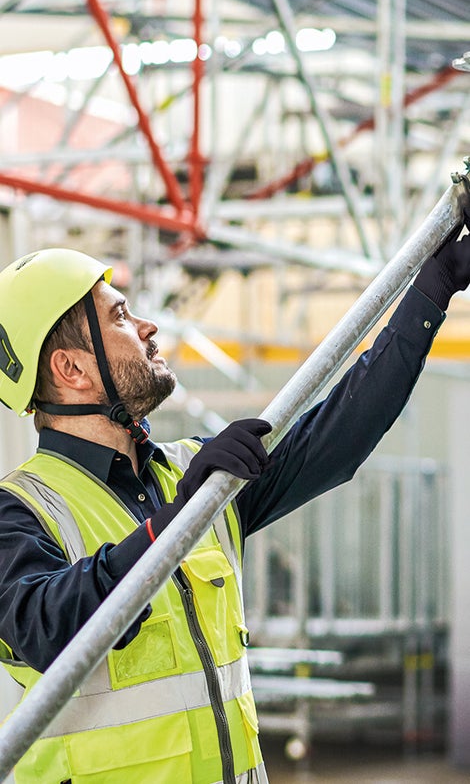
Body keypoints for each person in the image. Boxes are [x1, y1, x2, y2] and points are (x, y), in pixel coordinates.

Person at [0, 233, 469, 784]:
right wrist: (177, 519)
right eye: (121, 317)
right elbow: (49, 626)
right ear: (71, 369)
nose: (148, 327)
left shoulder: (194, 474)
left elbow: (339, 434)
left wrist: (432, 289)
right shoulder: (20, 510)